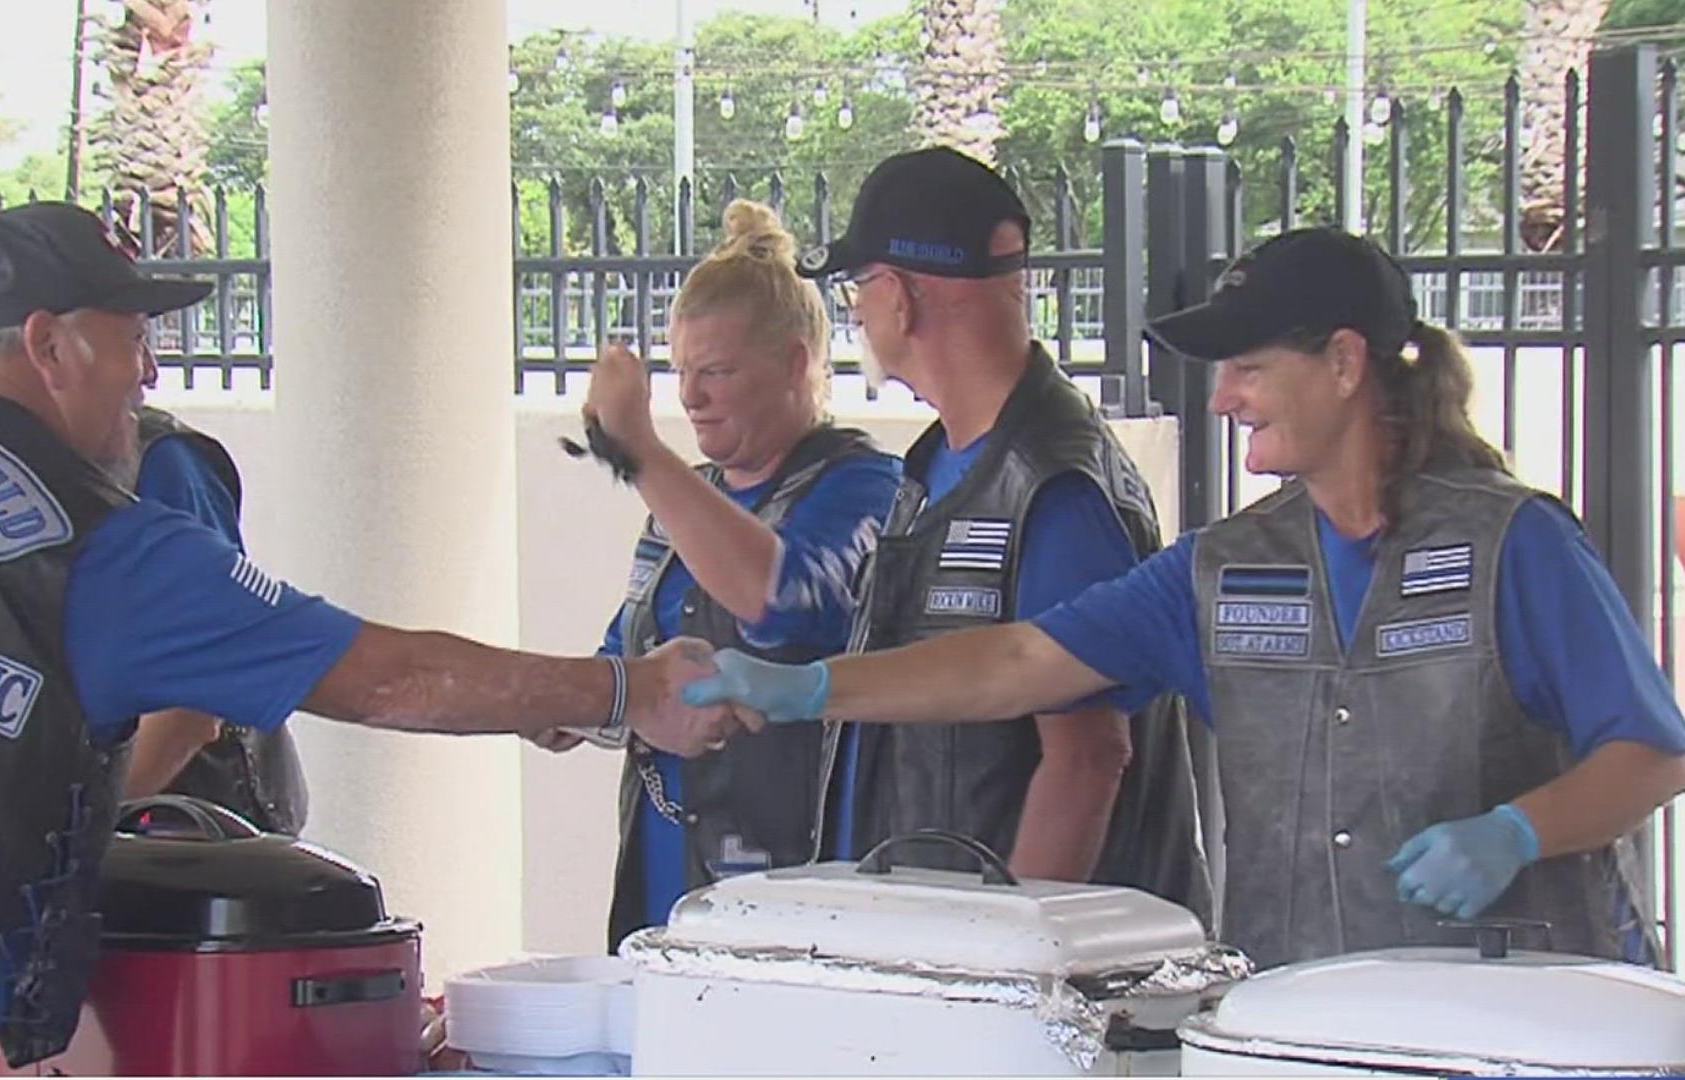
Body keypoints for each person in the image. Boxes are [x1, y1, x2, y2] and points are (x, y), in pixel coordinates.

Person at [0, 201, 746, 1076]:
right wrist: (631, 692)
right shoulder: (88, 539)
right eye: (133, 338)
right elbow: (383, 677)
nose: (148, 373)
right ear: (49, 347)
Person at [686, 225, 1685, 971]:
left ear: (1343, 364)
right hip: (1306, 1023)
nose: (1220, 398)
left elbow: (1650, 754)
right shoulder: (1222, 566)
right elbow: (1018, 660)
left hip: (1532, 1025)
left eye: (1248, 368)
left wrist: (1518, 831)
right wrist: (815, 686)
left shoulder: (1515, 543)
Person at [784, 146, 1209, 912]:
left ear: (903, 297)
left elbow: (1087, 760)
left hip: (1007, 973)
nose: (856, 312)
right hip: (925, 934)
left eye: (860, 287)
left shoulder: (1057, 485)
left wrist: (1002, 959)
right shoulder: (935, 465)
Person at [547, 200, 901, 948]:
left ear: (796, 363)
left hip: (797, 895)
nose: (690, 398)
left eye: (716, 371)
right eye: (680, 372)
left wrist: (641, 451)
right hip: (665, 880)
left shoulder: (867, 486)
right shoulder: (683, 498)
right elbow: (621, 660)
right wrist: (542, 704)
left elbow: (780, 604)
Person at [0, 227, 309, 833]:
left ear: (43, 347)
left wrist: (53, 839)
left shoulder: (155, 460)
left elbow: (194, 702)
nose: (149, 371)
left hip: (181, 836)